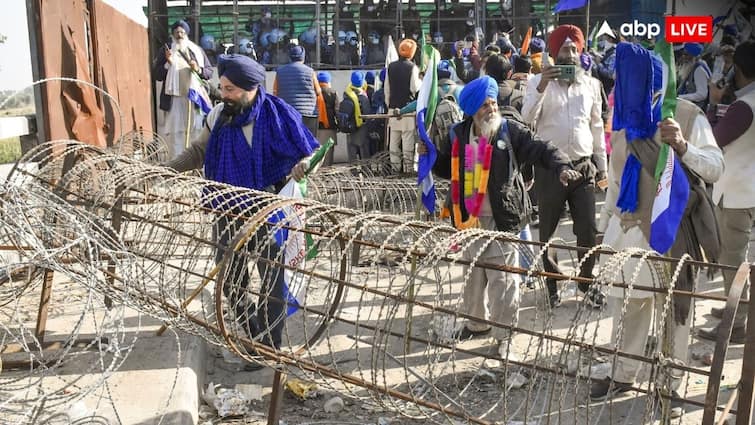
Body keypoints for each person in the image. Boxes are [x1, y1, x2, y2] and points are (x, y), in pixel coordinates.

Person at [590, 44, 723, 417]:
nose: (620, 92)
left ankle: (670, 383)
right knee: (626, 308)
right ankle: (624, 371)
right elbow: (616, 185)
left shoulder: (687, 115)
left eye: (629, 84)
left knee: (674, 315)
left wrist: (682, 145)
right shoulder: (623, 123)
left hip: (670, 235)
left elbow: (714, 167)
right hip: (626, 236)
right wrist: (604, 230)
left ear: (651, 83)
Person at [164, 55, 320, 366]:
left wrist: (304, 166)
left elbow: (311, 149)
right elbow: (199, 150)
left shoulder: (279, 113)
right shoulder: (220, 114)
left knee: (273, 282)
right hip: (228, 208)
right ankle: (256, 334)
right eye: (222, 88)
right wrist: (168, 169)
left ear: (251, 87)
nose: (224, 94)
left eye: (231, 89)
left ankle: (268, 346)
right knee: (231, 282)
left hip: (269, 208)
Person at [426, 76, 579, 347]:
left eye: (493, 103)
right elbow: (446, 169)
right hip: (468, 219)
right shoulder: (458, 134)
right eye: (485, 106)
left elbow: (541, 148)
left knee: (503, 280)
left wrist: (561, 166)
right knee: (473, 275)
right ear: (472, 110)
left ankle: (503, 335)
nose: (492, 109)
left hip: (502, 216)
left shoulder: (510, 131)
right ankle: (477, 324)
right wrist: (428, 155)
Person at [521, 24, 608, 308]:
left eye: (574, 49)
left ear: (580, 52)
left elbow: (596, 127)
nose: (570, 54)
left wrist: (602, 166)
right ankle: (553, 283)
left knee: (588, 230)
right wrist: (543, 84)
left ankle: (585, 282)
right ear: (553, 53)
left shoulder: (591, 84)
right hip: (550, 169)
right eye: (564, 49)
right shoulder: (537, 83)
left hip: (583, 166)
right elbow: (527, 118)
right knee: (548, 231)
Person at [698, 40, 755, 344]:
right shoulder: (744, 103)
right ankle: (737, 309)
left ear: (740, 70)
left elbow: (713, 139)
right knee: (736, 256)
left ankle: (736, 324)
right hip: (746, 189)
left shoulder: (744, 107)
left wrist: (712, 101)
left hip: (736, 194)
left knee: (732, 260)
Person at [153, 20, 213, 159]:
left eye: (182, 32)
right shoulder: (166, 50)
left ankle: (195, 168)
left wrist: (197, 68)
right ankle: (178, 168)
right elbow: (157, 74)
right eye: (176, 32)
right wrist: (168, 64)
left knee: (195, 132)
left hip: (193, 98)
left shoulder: (196, 51)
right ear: (173, 34)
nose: (179, 35)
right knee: (177, 134)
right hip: (174, 99)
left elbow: (209, 72)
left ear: (186, 34)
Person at [385, 39, 421, 174]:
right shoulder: (412, 67)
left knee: (393, 142)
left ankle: (395, 169)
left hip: (393, 109)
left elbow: (386, 89)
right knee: (407, 141)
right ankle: (408, 169)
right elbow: (415, 87)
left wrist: (389, 105)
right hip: (407, 110)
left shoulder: (391, 67)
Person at [274, 45, 321, 137]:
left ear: (290, 57)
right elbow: (318, 91)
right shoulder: (310, 71)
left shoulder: (280, 71)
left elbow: (275, 92)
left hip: (287, 113)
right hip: (308, 113)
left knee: (290, 142)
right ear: (303, 57)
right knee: (309, 143)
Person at [339, 71, 373, 162]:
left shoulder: (347, 94)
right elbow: (368, 114)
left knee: (352, 151)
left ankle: (353, 172)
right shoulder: (363, 98)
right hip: (362, 129)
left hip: (350, 128)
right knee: (364, 150)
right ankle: (366, 171)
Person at [678, 42, 712, 111]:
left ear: (693, 56)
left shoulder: (699, 70)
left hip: (696, 110)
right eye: (683, 54)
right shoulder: (692, 66)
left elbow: (702, 95)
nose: (683, 57)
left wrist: (681, 97)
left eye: (686, 55)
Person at [316, 71, 339, 166]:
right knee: (328, 157)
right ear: (328, 81)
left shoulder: (314, 93)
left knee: (316, 156)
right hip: (330, 128)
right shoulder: (333, 93)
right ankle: (327, 178)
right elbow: (337, 112)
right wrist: (340, 126)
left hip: (315, 129)